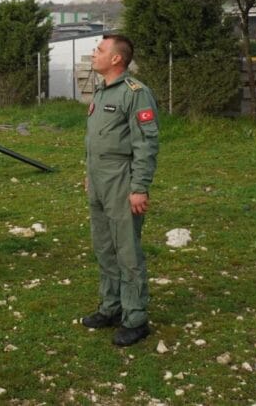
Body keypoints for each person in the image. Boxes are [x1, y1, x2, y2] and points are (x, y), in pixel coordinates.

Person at [82, 34, 159, 346]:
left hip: (121, 180)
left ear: (116, 58)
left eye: (100, 50)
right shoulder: (101, 91)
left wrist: (139, 187)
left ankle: (136, 318)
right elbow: (95, 139)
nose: (94, 53)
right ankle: (111, 307)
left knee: (127, 250)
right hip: (99, 180)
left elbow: (146, 142)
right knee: (104, 247)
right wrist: (90, 174)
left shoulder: (135, 93)